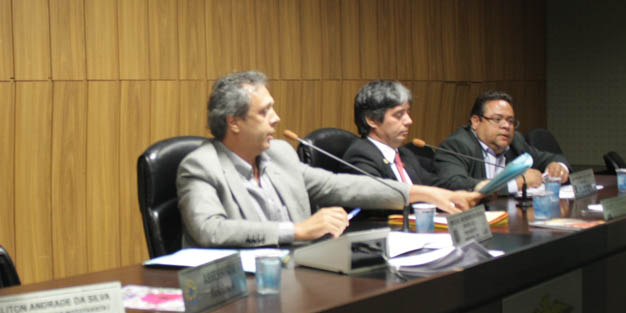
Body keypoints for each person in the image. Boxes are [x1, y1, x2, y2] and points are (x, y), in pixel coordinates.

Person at [176, 71, 481, 248]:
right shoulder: (201, 165)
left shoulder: (279, 154)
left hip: (300, 276)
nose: (276, 118)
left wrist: (424, 193)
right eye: (265, 111)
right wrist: (297, 230)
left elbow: (340, 186)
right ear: (234, 122)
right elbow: (211, 229)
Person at [435, 91, 570, 192]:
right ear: (476, 122)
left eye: (510, 121)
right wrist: (516, 183)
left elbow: (553, 157)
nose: (506, 126)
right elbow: (454, 184)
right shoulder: (457, 145)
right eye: (497, 119)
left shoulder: (515, 141)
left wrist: (557, 167)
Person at [343, 80, 437, 185]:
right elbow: (381, 193)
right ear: (372, 120)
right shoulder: (360, 156)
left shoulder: (404, 154)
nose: (409, 121)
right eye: (399, 114)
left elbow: (435, 184)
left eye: (408, 112)